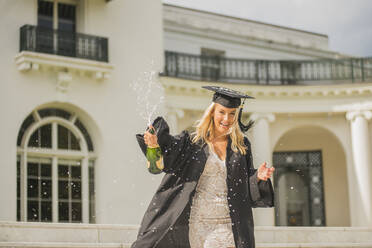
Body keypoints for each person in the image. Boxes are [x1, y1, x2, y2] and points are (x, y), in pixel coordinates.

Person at [131, 86, 275, 248]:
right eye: (222, 112)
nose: (226, 119)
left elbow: (244, 188)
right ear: (212, 112)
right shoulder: (192, 143)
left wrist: (258, 178)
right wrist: (154, 146)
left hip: (230, 222)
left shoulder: (241, 146)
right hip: (198, 222)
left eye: (232, 113)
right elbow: (160, 165)